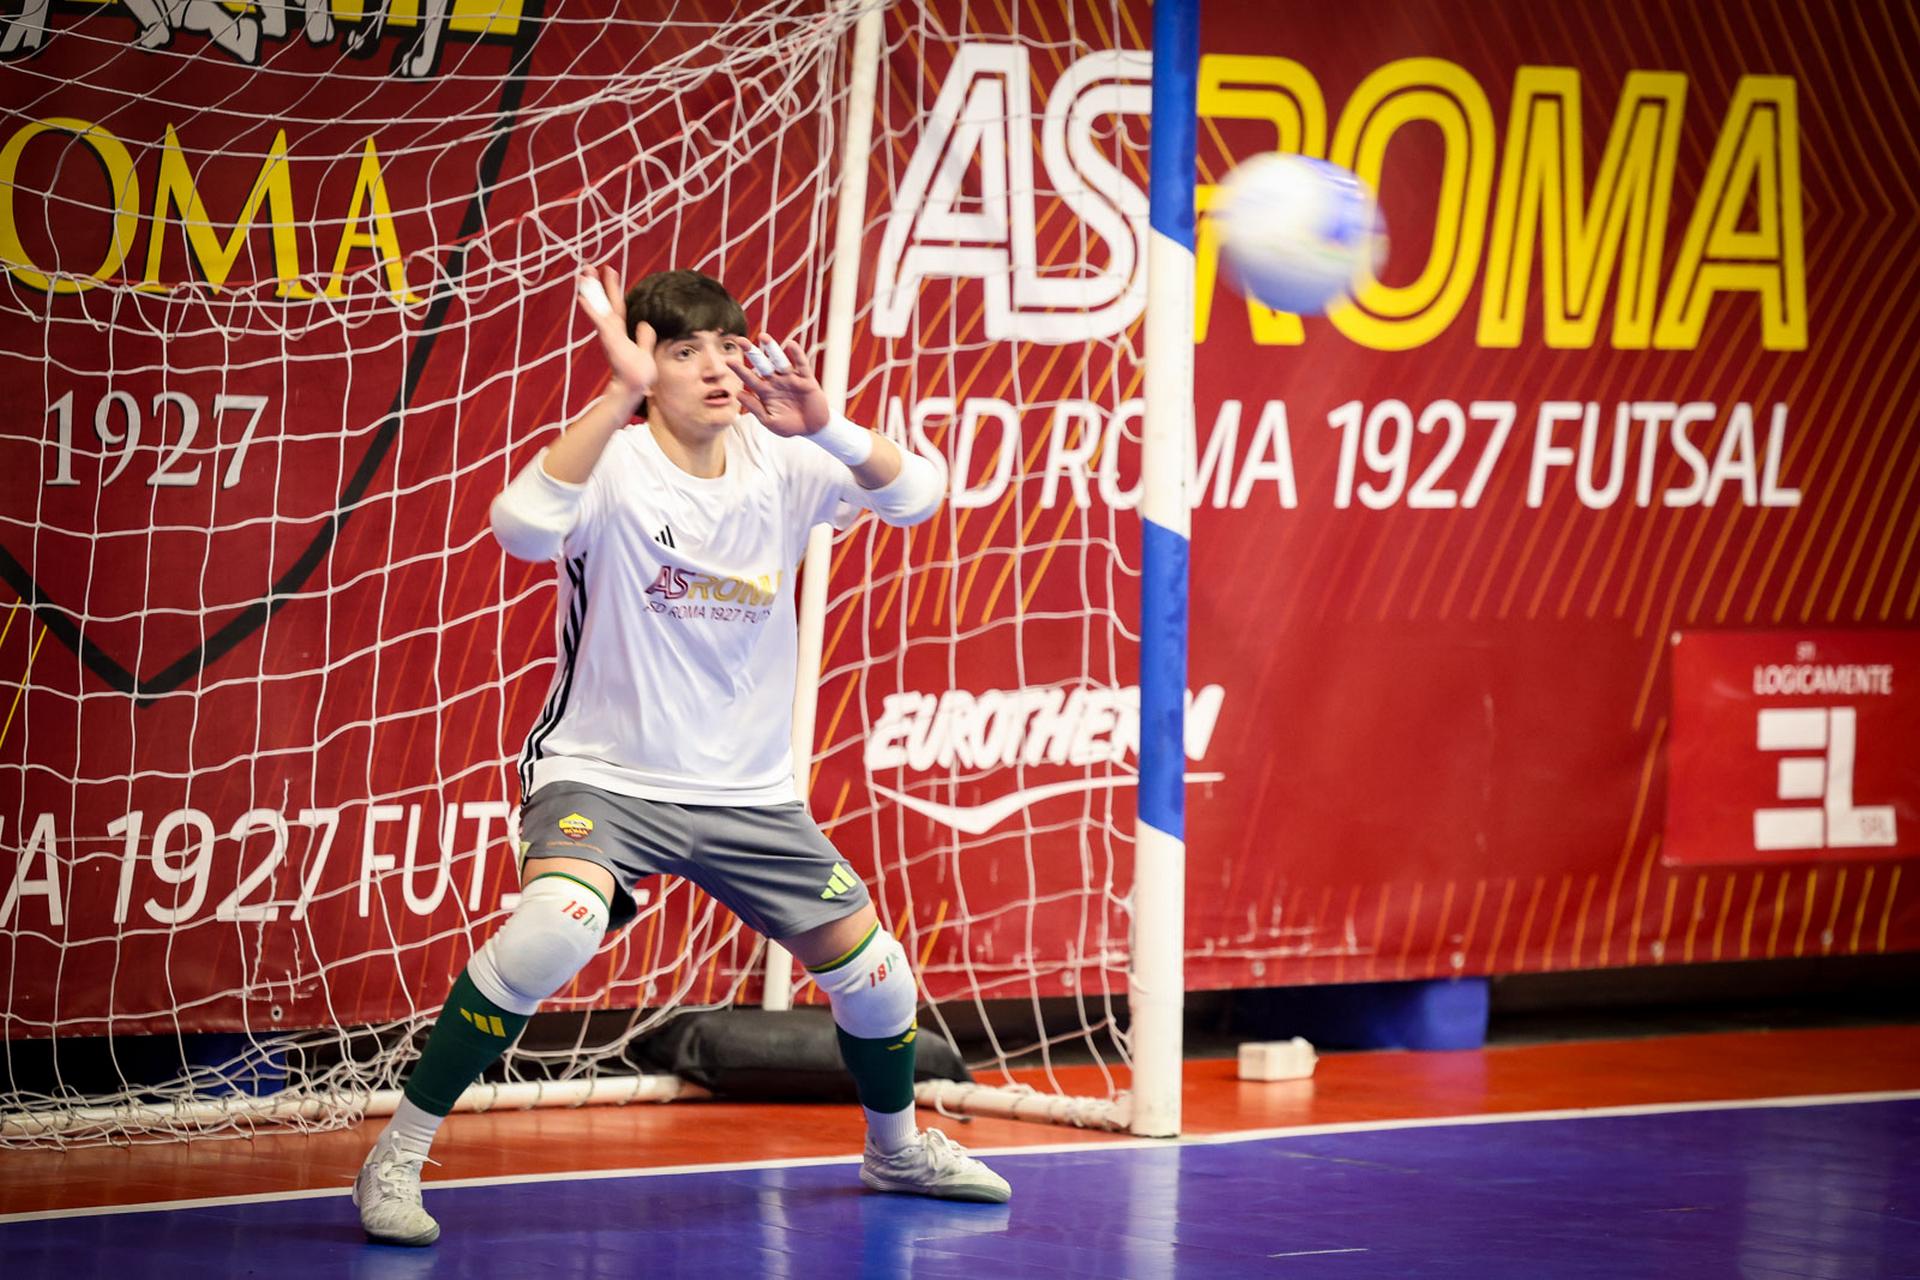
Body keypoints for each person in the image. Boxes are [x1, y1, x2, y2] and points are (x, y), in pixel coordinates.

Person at [352, 265, 1010, 1246]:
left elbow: (920, 495)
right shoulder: (615, 464)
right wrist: (613, 394)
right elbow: (519, 529)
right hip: (605, 777)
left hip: (750, 795)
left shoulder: (783, 459)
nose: (715, 368)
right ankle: (397, 1155)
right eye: (685, 350)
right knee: (556, 925)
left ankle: (897, 1148)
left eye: (728, 348)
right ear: (646, 368)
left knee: (879, 975)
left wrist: (827, 424)